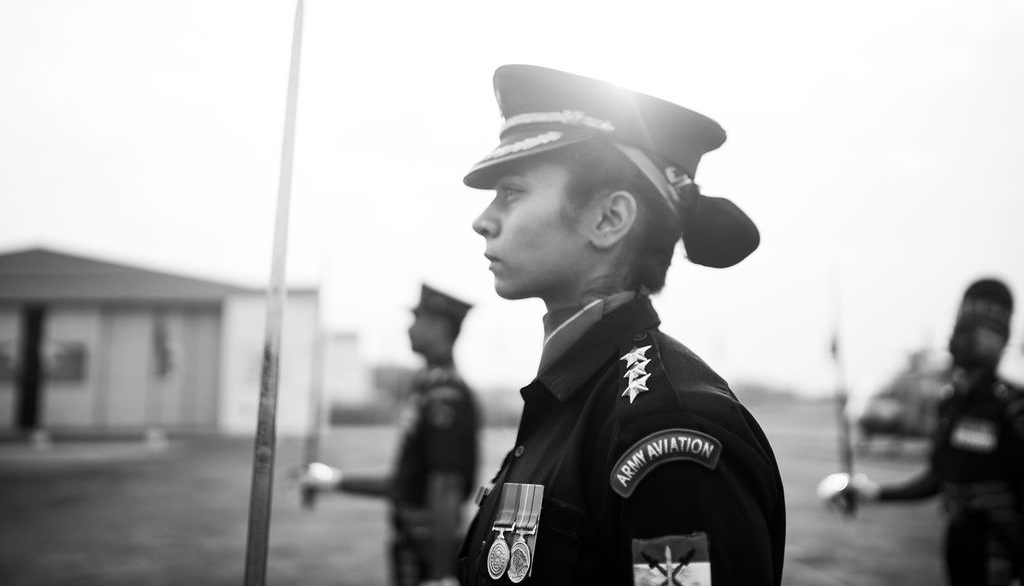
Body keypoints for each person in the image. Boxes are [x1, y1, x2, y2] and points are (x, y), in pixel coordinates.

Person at [456, 64, 786, 584]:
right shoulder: (575, 394)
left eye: (512, 192)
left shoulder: (663, 427)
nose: (483, 220)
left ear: (609, 219)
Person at [819, 278, 1024, 586]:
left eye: (971, 331)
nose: (956, 338)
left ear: (997, 340)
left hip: (1002, 549)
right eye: (958, 328)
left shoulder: (1012, 406)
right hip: (960, 540)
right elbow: (938, 477)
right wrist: (872, 491)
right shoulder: (951, 403)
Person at [298, 284, 480, 586]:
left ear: (440, 327)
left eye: (418, 320)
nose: (410, 328)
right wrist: (334, 480)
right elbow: (405, 482)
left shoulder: (446, 395)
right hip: (412, 539)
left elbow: (446, 488)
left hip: (430, 550)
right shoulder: (426, 386)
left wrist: (441, 576)